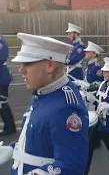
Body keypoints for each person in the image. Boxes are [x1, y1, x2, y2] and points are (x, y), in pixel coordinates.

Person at [0, 33, 89, 175]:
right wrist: (14, 149)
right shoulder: (45, 91)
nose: (21, 70)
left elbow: (71, 166)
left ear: (50, 65)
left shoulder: (66, 107)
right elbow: (41, 138)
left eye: (27, 63)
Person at [0, 34, 16, 136]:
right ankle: (9, 127)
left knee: (2, 103)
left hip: (2, 77)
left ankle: (10, 128)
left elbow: (2, 57)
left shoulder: (1, 41)